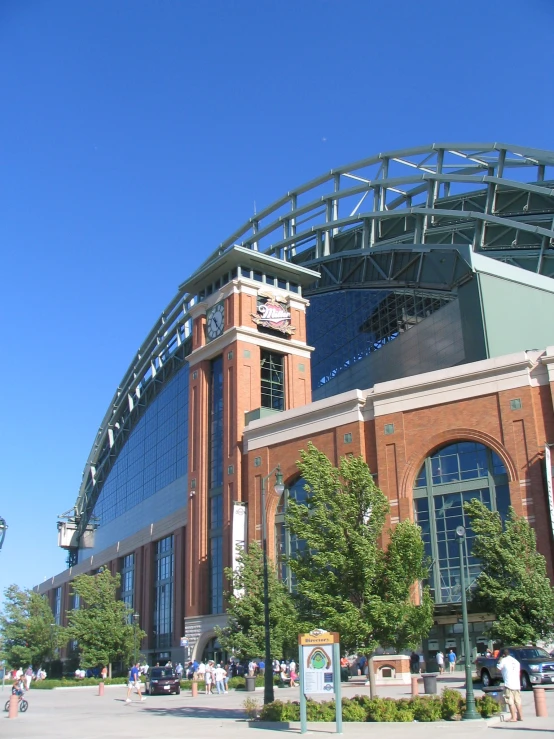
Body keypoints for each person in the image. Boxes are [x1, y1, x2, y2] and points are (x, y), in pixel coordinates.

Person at [497, 649, 523, 722]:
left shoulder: (504, 660)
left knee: (510, 701)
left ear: (503, 654)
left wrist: (500, 659)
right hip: (517, 683)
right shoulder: (515, 661)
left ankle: (513, 717)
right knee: (518, 701)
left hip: (509, 684)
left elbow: (498, 668)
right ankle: (520, 716)